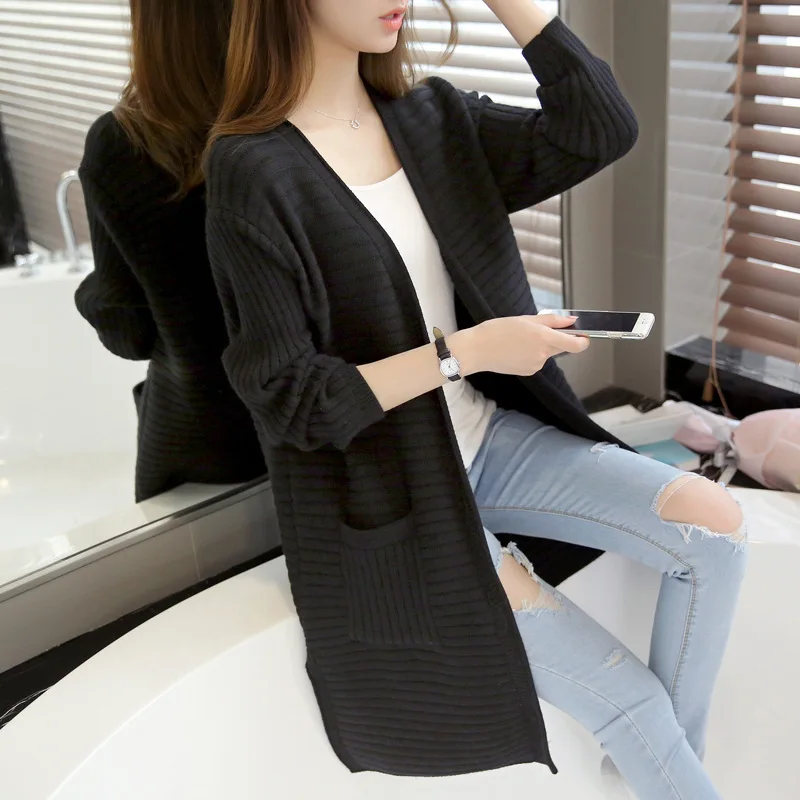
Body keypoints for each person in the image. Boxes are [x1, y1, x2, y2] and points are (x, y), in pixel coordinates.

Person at [205, 1, 747, 797]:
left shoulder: (432, 118)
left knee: (716, 529)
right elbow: (291, 400)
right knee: (631, 703)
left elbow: (600, 128)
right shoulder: (252, 171)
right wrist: (464, 353)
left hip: (490, 442)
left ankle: (655, 774)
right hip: (399, 498)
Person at [75, 0, 266, 502]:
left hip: (204, 449)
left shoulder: (122, 142)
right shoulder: (307, 117)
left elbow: (130, 333)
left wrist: (92, 295)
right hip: (326, 437)